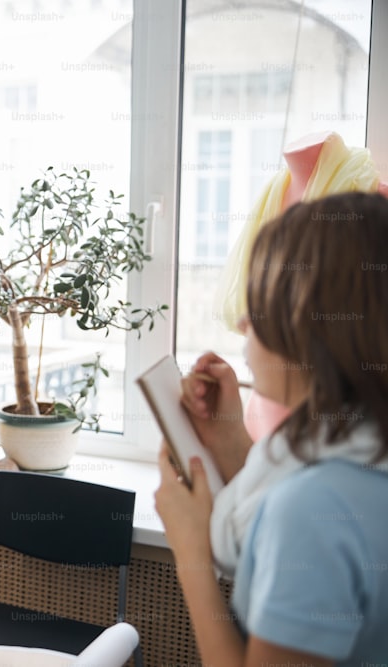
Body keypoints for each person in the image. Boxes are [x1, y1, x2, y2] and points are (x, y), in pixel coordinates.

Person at [156, 192, 388, 665]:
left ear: (306, 328)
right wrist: (230, 439)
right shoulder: (361, 456)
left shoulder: (312, 511)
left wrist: (193, 558)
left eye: (258, 307)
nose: (243, 323)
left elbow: (303, 507)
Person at [215, 131, 388, 441]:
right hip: (269, 399)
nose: (245, 321)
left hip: (337, 412)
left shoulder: (376, 208)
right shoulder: (270, 198)